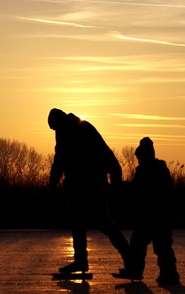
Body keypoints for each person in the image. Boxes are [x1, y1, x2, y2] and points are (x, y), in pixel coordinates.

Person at [48, 108, 129, 274]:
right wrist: (54, 179)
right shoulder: (65, 131)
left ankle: (130, 258)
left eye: (55, 128)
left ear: (59, 122)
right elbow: (60, 158)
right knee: (78, 222)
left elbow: (105, 152)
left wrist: (115, 178)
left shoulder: (83, 128)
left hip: (92, 186)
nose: (55, 132)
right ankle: (81, 261)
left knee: (103, 222)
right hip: (78, 187)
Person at [119, 137, 180, 284]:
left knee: (159, 245)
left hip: (157, 215)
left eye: (139, 157)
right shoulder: (151, 169)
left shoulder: (152, 169)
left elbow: (142, 189)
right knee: (141, 243)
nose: (138, 160)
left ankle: (169, 274)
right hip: (151, 215)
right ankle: (138, 271)